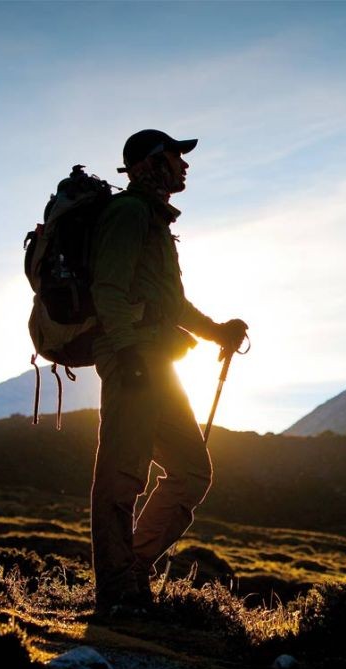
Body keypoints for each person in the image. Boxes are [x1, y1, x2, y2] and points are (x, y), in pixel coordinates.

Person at [89, 129, 247, 617]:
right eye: (175, 156)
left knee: (192, 471)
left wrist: (216, 330)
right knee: (123, 474)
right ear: (148, 164)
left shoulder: (154, 221)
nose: (184, 165)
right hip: (135, 361)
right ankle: (118, 592)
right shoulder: (129, 214)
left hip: (156, 362)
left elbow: (170, 303)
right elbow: (108, 289)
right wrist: (130, 353)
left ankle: (131, 573)